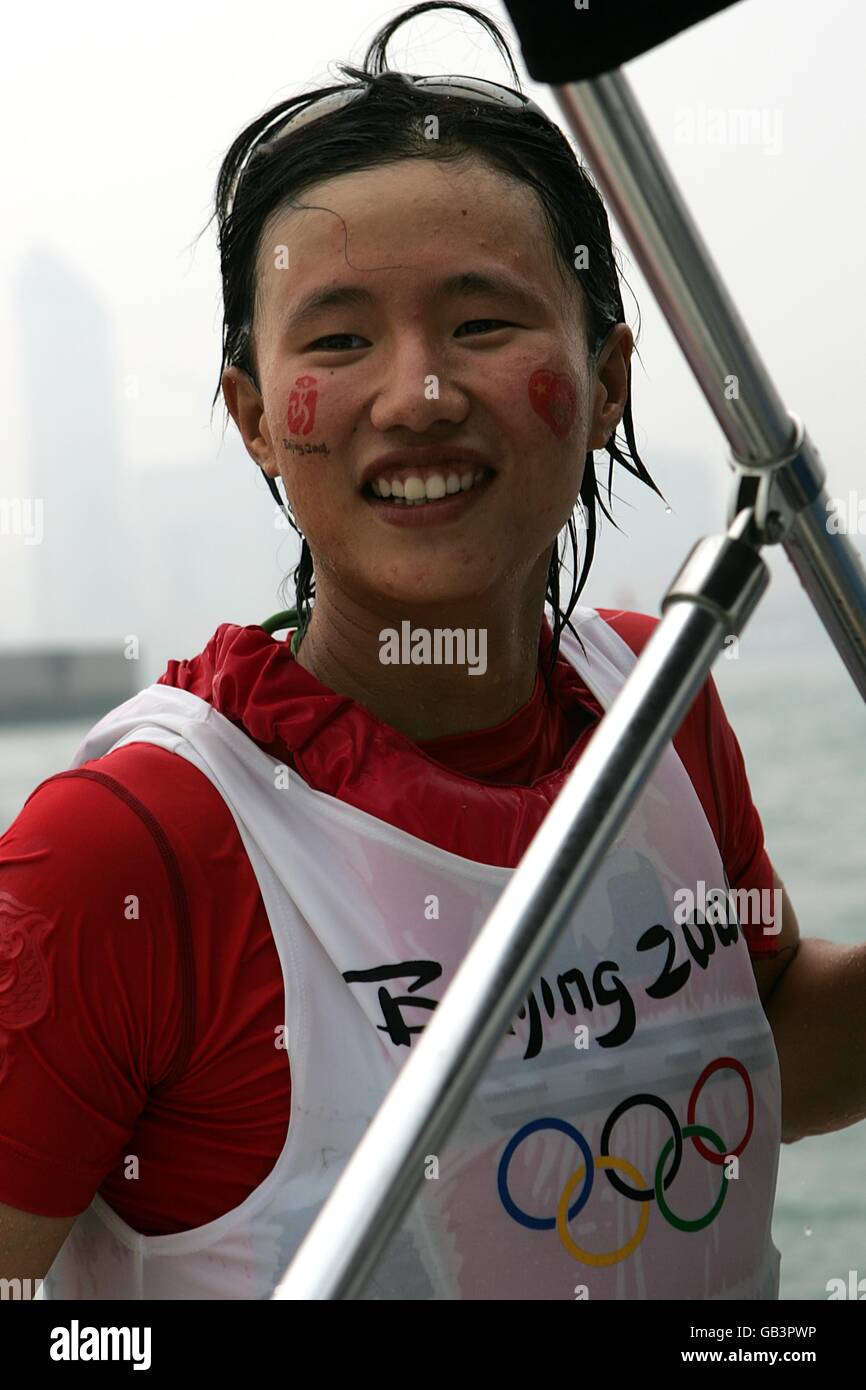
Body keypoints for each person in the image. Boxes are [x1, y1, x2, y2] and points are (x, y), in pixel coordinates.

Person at [1, 1, 863, 1301]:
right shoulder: (126, 848)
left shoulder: (657, 696)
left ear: (609, 376)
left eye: (481, 321)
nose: (417, 396)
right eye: (339, 339)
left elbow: (749, 1043)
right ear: (249, 414)